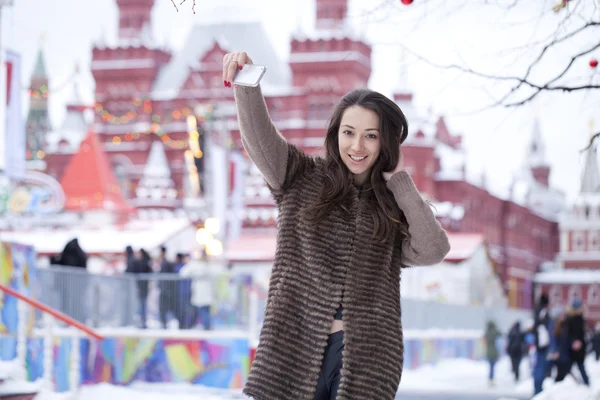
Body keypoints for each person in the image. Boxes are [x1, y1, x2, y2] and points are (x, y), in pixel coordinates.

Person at [225, 52, 450, 400]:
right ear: (336, 133)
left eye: (371, 136)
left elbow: (434, 249)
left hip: (367, 359)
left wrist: (400, 185)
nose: (357, 146)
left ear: (384, 142)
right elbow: (259, 140)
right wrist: (247, 83)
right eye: (349, 132)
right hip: (293, 348)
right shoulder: (299, 176)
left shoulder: (391, 205)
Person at [565, 298, 590, 386]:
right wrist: (574, 342)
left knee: (579, 367)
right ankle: (583, 383)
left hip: (579, 349)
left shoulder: (579, 319)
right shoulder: (571, 319)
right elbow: (569, 334)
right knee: (569, 368)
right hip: (573, 348)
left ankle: (585, 384)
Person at [532, 293, 552, 395]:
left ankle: (537, 389)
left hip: (539, 344)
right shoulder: (543, 312)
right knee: (541, 367)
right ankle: (538, 391)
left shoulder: (536, 311)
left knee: (538, 367)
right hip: (543, 345)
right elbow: (545, 329)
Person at [485, 320, 501, 387]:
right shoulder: (493, 332)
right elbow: (500, 334)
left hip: (489, 352)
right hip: (493, 352)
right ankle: (491, 378)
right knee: (492, 367)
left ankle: (490, 379)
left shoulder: (487, 332)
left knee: (491, 366)